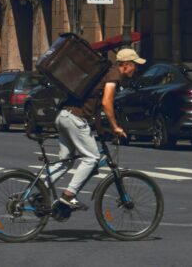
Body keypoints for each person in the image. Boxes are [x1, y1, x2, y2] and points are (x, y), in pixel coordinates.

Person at [50, 47, 142, 211]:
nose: (136, 68)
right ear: (127, 64)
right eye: (135, 64)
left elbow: (95, 105)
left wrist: (101, 131)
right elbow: (107, 102)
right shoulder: (114, 75)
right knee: (92, 158)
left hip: (64, 115)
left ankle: (39, 190)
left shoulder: (103, 73)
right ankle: (68, 196)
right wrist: (115, 127)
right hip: (75, 118)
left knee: (66, 162)